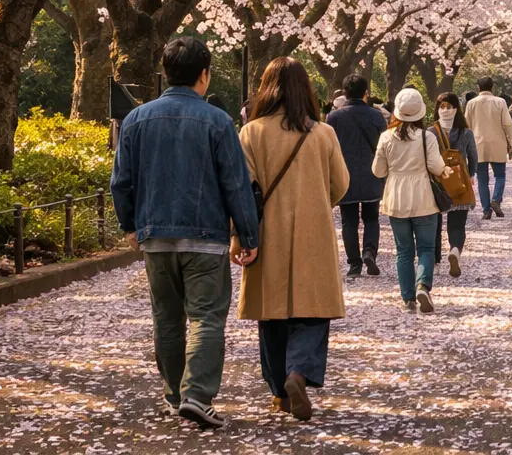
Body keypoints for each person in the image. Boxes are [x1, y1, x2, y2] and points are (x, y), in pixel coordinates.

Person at [110, 36, 259, 430]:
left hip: (155, 235)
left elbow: (120, 181)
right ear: (204, 75)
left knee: (167, 318)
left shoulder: (137, 119)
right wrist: (247, 235)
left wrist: (130, 225)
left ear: (164, 71)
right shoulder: (217, 121)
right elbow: (235, 184)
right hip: (205, 236)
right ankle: (197, 395)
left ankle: (175, 394)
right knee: (207, 317)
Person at [236, 57, 349, 422]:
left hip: (267, 235)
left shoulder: (251, 132)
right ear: (306, 89)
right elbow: (341, 185)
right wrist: (316, 200)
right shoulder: (322, 133)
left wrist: (239, 235)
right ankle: (298, 372)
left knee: (271, 314)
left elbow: (242, 191)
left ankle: (279, 393)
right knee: (312, 311)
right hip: (313, 233)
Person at [372, 88, 447, 313]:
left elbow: (377, 170)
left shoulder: (386, 137)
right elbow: (436, 166)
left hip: (396, 197)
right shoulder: (427, 137)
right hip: (423, 195)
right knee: (426, 247)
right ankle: (423, 284)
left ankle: (408, 298)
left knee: (403, 251)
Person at [327, 74, 386, 279]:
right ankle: (369, 251)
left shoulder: (333, 118)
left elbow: (329, 149)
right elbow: (384, 145)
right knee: (371, 219)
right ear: (365, 93)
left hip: (345, 176)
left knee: (348, 221)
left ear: (344, 92)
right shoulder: (376, 116)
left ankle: (354, 264)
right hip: (372, 174)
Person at [431, 92, 478, 277]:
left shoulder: (430, 132)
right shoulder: (466, 132)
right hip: (459, 180)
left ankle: (434, 261)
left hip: (436, 181)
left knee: (434, 222)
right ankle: (455, 250)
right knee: (457, 224)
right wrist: (472, 174)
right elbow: (473, 157)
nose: (444, 110)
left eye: (445, 106)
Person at [464, 78, 512, 219]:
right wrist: (510, 140)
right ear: (492, 88)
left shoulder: (471, 103)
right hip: (498, 142)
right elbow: (507, 124)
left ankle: (486, 210)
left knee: (482, 179)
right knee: (500, 175)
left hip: (478, 143)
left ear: (478, 87)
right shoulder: (500, 102)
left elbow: (467, 125)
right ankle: (496, 200)